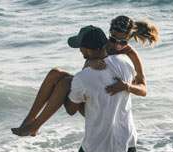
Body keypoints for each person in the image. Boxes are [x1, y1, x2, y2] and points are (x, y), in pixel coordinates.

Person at [11, 16, 159, 136]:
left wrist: (127, 86)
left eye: (123, 42)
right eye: (113, 39)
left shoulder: (132, 55)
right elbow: (86, 70)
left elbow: (144, 89)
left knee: (65, 82)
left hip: (103, 106)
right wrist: (91, 62)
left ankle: (35, 126)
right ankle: (29, 120)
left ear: (130, 37)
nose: (117, 46)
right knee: (55, 73)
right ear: (109, 34)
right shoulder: (104, 45)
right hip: (89, 94)